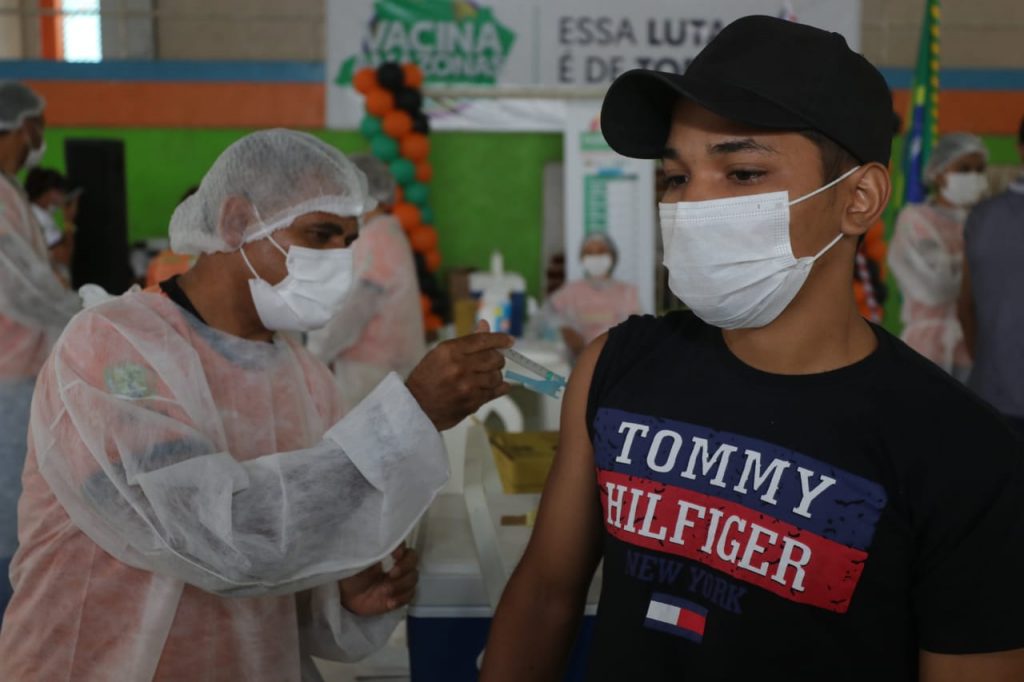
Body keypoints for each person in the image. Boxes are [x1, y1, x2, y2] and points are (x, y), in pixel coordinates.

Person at [481, 17, 1024, 681]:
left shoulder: (961, 452)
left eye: (740, 172)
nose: (693, 205)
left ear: (858, 199)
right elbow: (545, 595)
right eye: (676, 178)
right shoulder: (618, 366)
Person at [0, 129, 512, 680]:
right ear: (237, 222)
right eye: (319, 233)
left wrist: (341, 590)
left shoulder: (307, 380)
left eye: (348, 240)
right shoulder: (113, 346)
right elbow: (215, 538)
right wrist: (409, 413)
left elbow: (278, 565)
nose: (338, 258)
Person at [0, 82, 80, 619]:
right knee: (10, 512)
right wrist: (85, 314)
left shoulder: (11, 193)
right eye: (39, 127)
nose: (41, 139)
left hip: (24, 369)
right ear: (20, 126)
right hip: (8, 375)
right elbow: (22, 288)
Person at [307, 154, 426, 410]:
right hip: (383, 369)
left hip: (369, 374)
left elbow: (352, 310)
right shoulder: (386, 233)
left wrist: (313, 358)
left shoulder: (376, 240)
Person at [888, 132, 989, 380]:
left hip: (978, 346)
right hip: (929, 348)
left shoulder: (984, 221)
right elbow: (935, 288)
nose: (973, 177)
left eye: (979, 169)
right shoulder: (915, 220)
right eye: (963, 169)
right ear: (939, 172)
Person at [959, 116, 1024, 438]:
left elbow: (965, 306)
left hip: (991, 393)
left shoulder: (983, 217)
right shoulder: (984, 217)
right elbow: (966, 304)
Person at [546, 233, 641, 356]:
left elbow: (637, 331)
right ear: (582, 258)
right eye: (589, 253)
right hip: (577, 361)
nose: (595, 257)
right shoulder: (570, 291)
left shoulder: (627, 293)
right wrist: (566, 331)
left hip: (618, 360)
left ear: (612, 256)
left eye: (601, 251)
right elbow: (548, 320)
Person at [25, 167, 79, 283]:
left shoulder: (30, 213)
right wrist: (68, 220)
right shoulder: (40, 220)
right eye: (60, 192)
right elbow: (64, 257)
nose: (62, 197)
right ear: (48, 192)